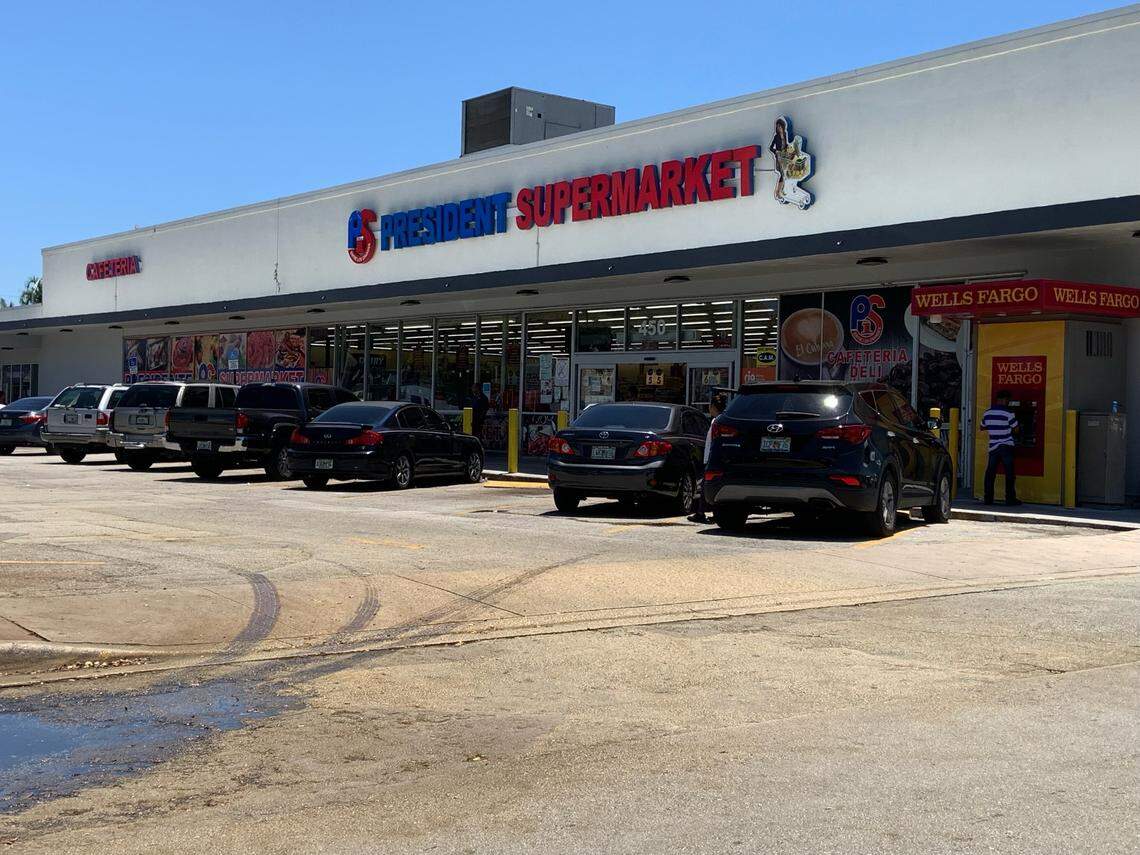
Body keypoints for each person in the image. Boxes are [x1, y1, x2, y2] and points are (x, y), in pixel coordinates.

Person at [689, 392, 727, 523]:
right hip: (713, 458)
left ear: (713, 407)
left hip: (711, 459)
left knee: (706, 487)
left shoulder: (716, 421)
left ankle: (700, 513)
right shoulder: (719, 421)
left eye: (710, 406)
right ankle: (706, 512)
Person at [981, 389, 1022, 506]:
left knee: (990, 473)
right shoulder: (1009, 413)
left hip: (993, 446)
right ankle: (1010, 499)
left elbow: (982, 427)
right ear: (1005, 400)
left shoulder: (987, 413)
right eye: (1009, 400)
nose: (1009, 402)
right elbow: (1016, 429)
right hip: (1006, 445)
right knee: (1009, 474)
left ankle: (988, 498)